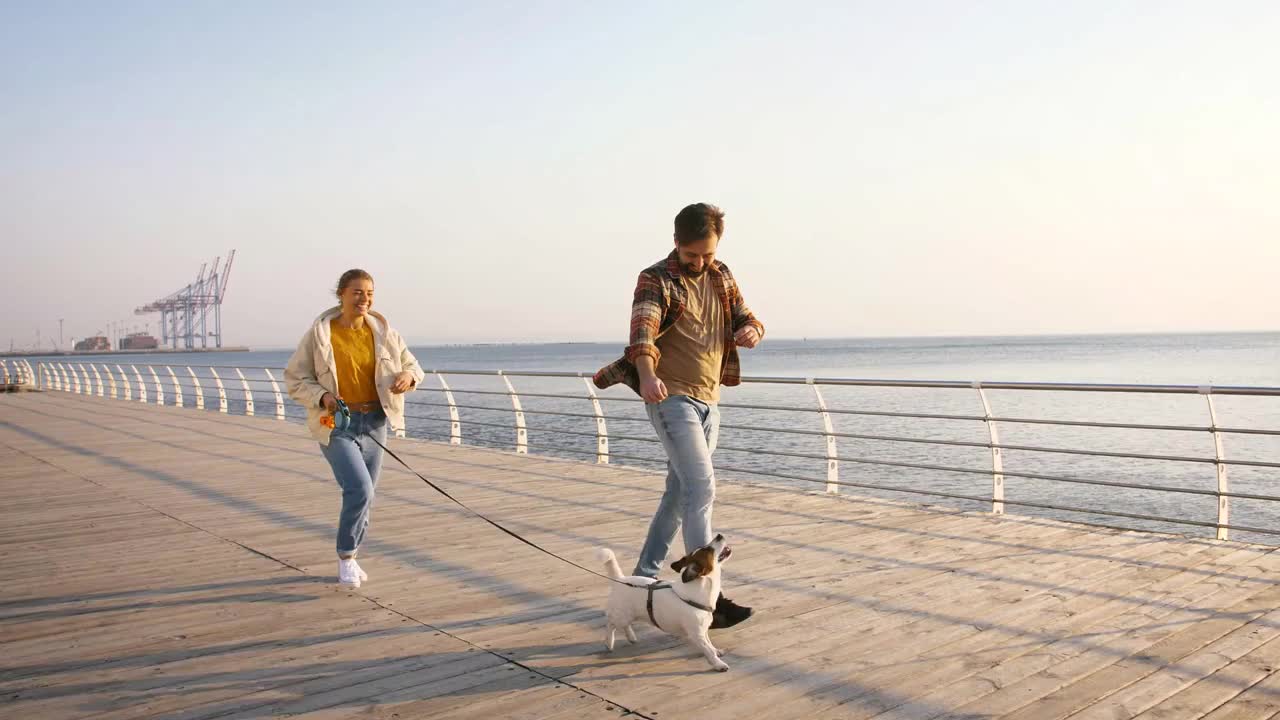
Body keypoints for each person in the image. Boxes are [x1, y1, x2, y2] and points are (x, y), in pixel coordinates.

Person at [594, 203, 764, 629]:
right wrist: (649, 378)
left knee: (679, 491)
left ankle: (643, 578)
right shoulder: (655, 278)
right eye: (692, 256)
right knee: (702, 485)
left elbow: (747, 316)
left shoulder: (721, 274)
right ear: (676, 243)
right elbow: (642, 335)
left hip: (710, 399)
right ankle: (711, 595)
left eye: (707, 254)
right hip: (670, 397)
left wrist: (752, 331)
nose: (701, 263)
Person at [285, 268, 425, 588]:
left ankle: (353, 554)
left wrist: (408, 377)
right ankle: (346, 556)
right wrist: (322, 396)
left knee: (368, 495)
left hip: (375, 421)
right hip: (336, 422)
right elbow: (295, 378)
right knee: (359, 488)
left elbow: (412, 365)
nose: (365, 299)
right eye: (358, 292)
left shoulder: (384, 332)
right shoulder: (321, 334)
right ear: (342, 295)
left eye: (370, 293)